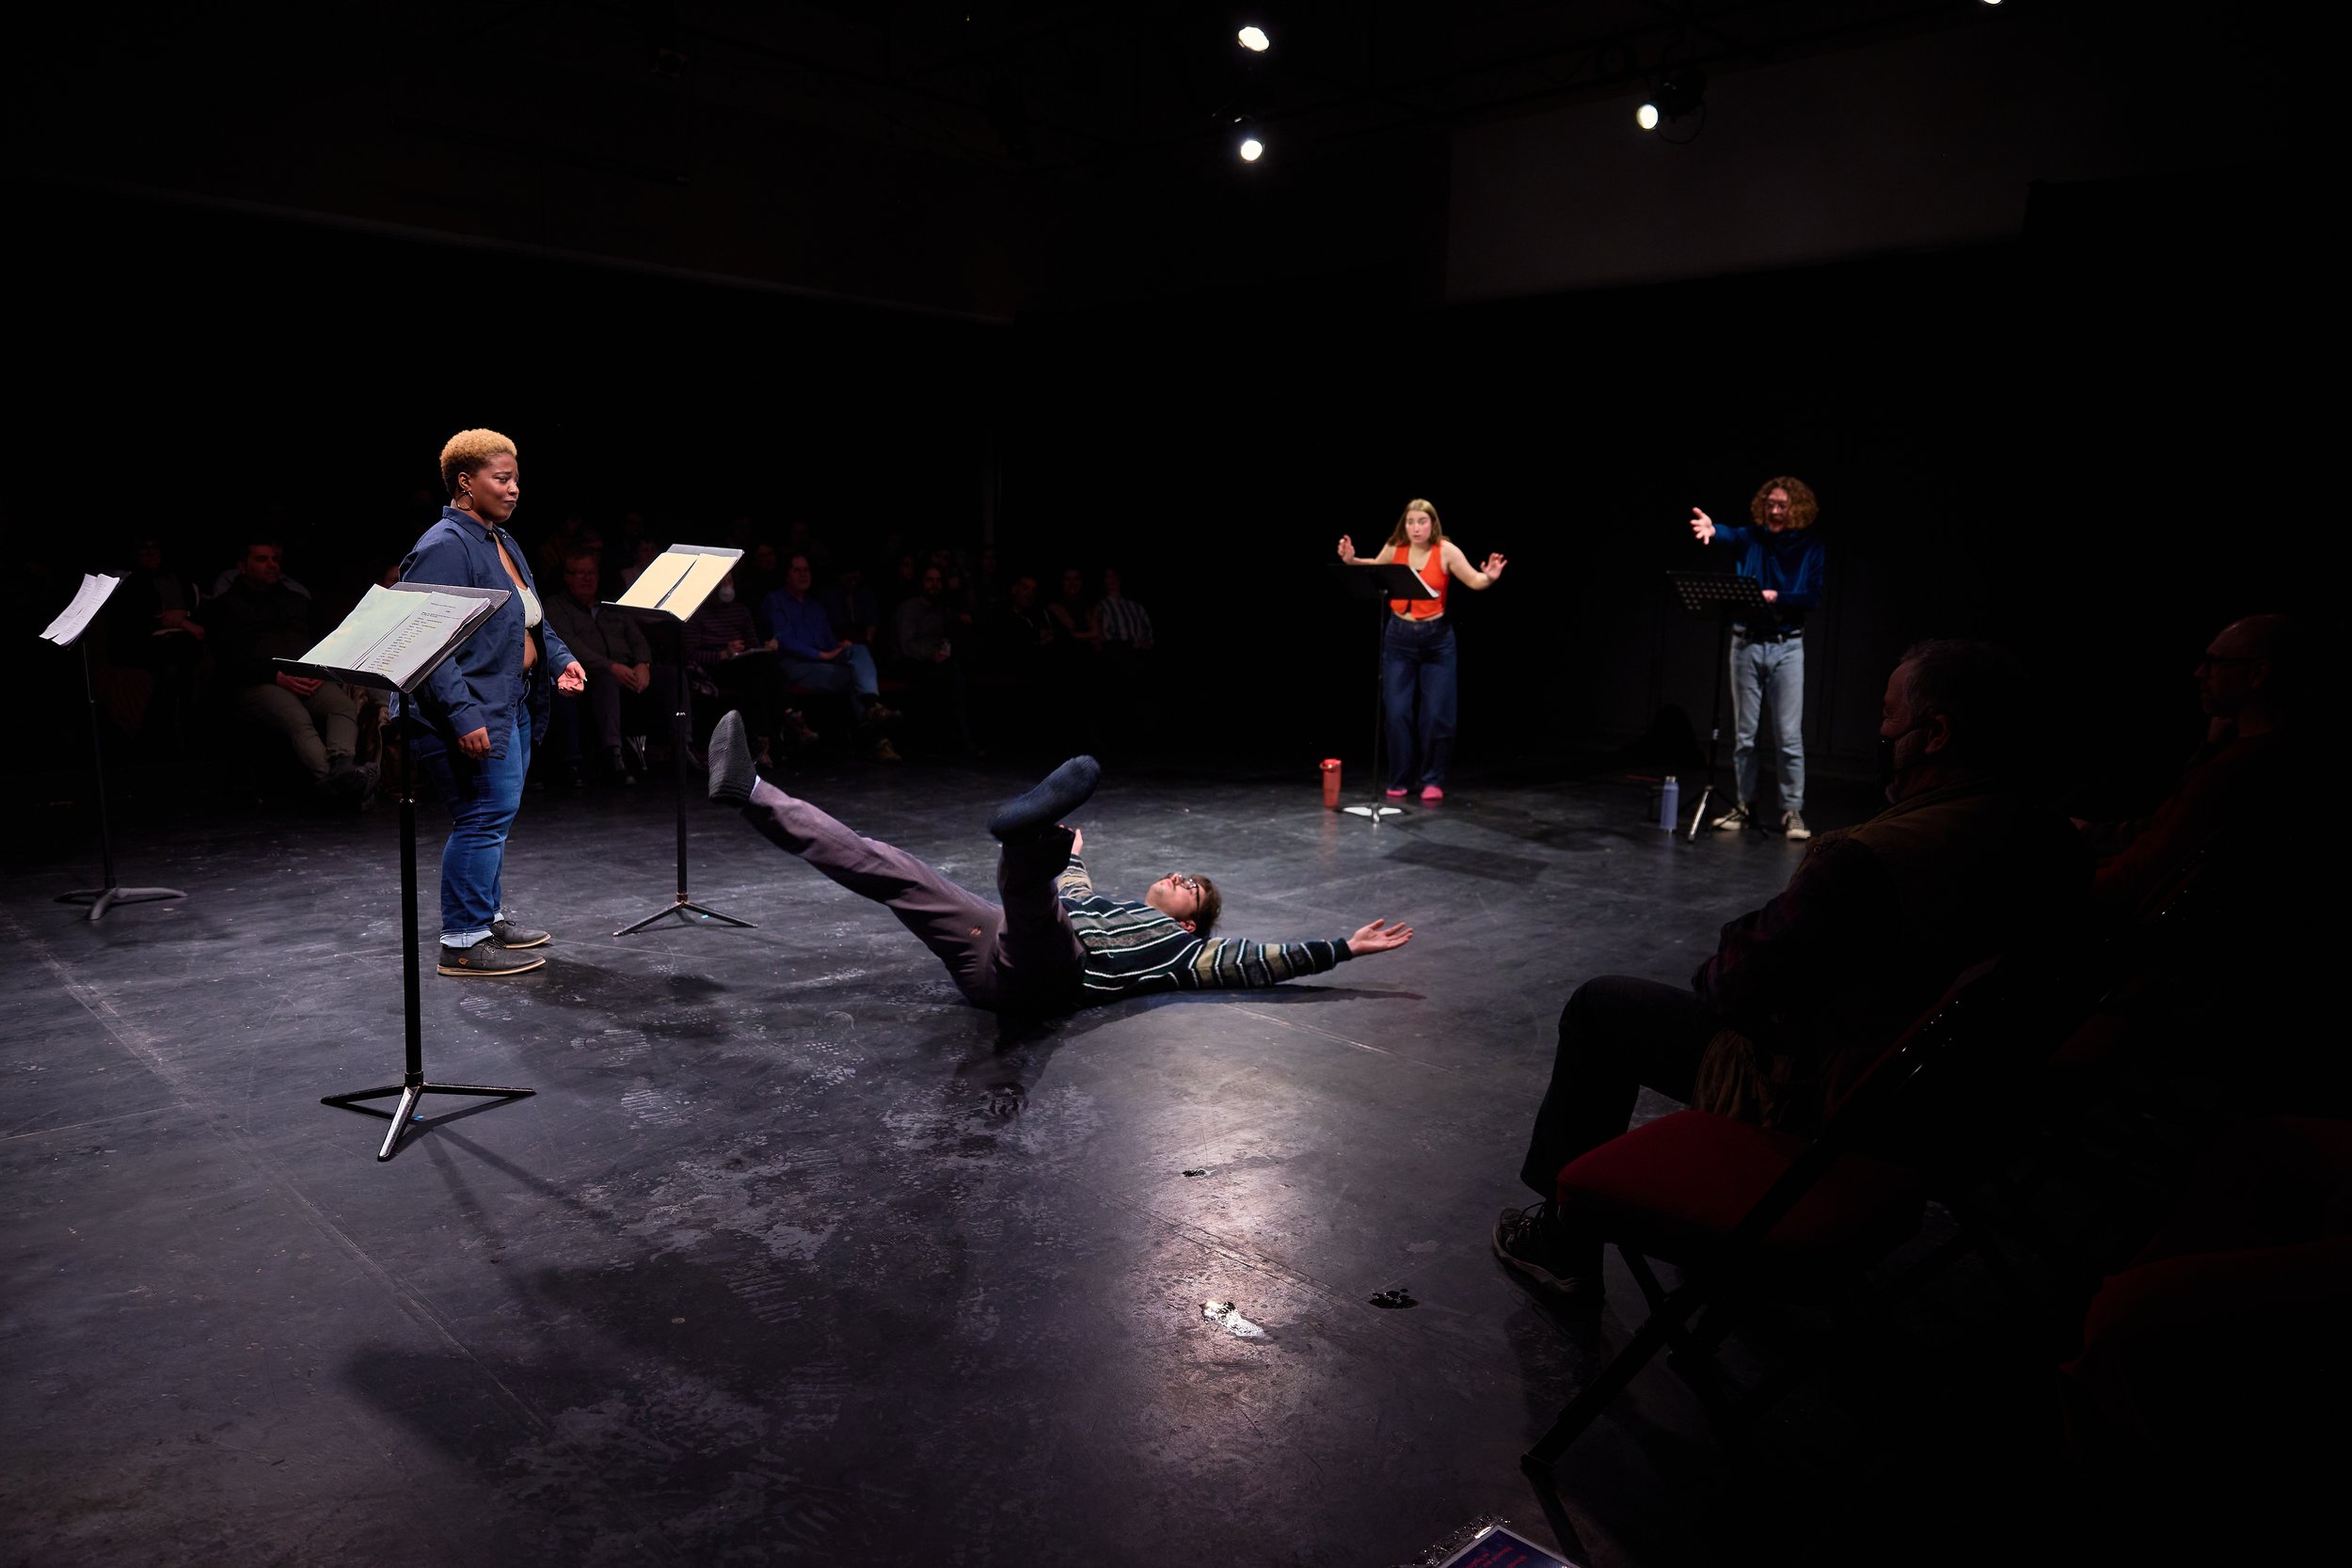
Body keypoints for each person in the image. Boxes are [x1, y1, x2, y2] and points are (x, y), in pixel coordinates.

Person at [1493, 640, 2087, 1308]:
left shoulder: (1869, 858)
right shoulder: (2049, 835)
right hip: (1964, 1111)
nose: (1881, 731)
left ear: (1937, 733)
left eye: (1889, 716)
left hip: (1830, 1098)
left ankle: (1563, 1238)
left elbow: (1730, 985)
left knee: (1602, 1007)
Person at [705, 711, 1413, 1013]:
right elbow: (1073, 890)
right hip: (998, 945)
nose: (1178, 879)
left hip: (1050, 975)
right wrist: (1072, 854)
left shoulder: (1183, 952)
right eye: (1179, 872)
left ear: (1196, 923)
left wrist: (1342, 948)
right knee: (891, 866)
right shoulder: (1107, 901)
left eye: (1192, 889)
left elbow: (1261, 959)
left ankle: (1026, 837)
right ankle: (754, 792)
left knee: (1038, 899)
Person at [395, 429, 585, 978]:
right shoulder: (443, 547)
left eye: (515, 479)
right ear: (464, 482)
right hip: (466, 708)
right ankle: (461, 941)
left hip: (508, 699)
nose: (513, 489)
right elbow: (428, 647)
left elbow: (530, 616)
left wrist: (559, 658)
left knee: (490, 815)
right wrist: (463, 716)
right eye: (500, 479)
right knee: (483, 816)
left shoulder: (500, 539)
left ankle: (486, 916)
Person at [2080, 613, 2305, 923]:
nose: (2199, 672)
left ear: (2258, 674)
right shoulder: (2253, 754)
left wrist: (2047, 884)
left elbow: (2134, 880)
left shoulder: (2231, 774)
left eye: (2214, 662)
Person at [1336, 498, 1508, 802]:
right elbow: (1375, 568)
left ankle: (1432, 778)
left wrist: (1489, 578)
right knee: (1398, 713)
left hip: (1437, 641)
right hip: (1399, 638)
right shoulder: (1395, 546)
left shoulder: (1446, 550)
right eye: (1411, 522)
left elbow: (1474, 579)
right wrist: (1352, 561)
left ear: (1433, 524)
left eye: (1422, 522)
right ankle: (1400, 778)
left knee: (1436, 715)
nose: (1416, 528)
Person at [1689, 477, 1827, 839]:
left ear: (1796, 509)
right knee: (1745, 737)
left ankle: (1792, 810)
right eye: (1770, 504)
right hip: (1745, 644)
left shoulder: (1810, 547)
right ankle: (1744, 804)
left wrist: (1776, 596)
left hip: (1787, 647)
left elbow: (1811, 597)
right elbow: (1729, 535)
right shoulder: (1752, 537)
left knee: (1788, 736)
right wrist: (1712, 529)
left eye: (1782, 505)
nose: (1775, 512)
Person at [197, 539, 372, 805]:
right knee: (296, 717)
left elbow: (327, 638)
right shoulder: (225, 606)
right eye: (262, 559)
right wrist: (275, 676)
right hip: (257, 682)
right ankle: (336, 782)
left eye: (275, 559)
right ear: (242, 566)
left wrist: (319, 669)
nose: (271, 565)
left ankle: (341, 769)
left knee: (342, 705)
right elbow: (229, 659)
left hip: (305, 677)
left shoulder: (296, 600)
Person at [759, 554, 901, 761]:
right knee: (856, 677)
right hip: (794, 664)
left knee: (858, 650)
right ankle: (877, 738)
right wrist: (822, 654)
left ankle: (871, 705)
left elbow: (828, 641)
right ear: (787, 574)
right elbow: (783, 640)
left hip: (823, 659)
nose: (803, 574)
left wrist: (838, 647)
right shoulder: (775, 601)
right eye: (797, 570)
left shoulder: (814, 605)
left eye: (806, 570)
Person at [542, 548, 656, 787]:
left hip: (629, 669)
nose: (586, 578)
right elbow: (571, 645)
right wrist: (611, 667)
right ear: (567, 576)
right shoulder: (556, 606)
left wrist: (643, 664)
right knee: (606, 680)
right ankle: (613, 755)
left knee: (672, 676)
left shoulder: (611, 606)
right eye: (579, 573)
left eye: (590, 573)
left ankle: (682, 748)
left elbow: (637, 639)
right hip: (588, 672)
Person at [888, 563, 981, 756]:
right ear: (921, 583)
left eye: (938, 581)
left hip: (932, 662)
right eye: (930, 580)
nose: (935, 585)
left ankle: (955, 741)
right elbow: (907, 645)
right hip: (905, 662)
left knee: (955, 673)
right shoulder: (910, 608)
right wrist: (932, 655)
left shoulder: (940, 610)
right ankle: (942, 743)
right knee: (939, 677)